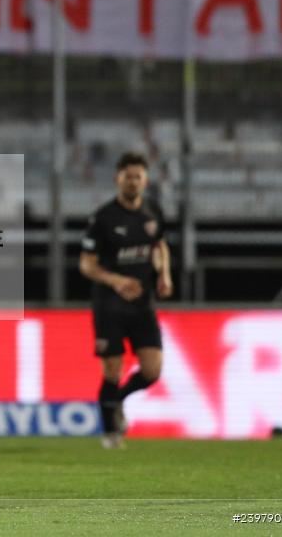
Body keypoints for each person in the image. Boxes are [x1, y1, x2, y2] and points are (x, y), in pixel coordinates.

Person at [79, 152, 172, 449]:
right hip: (109, 304)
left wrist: (164, 274)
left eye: (138, 176)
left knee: (152, 370)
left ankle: (116, 401)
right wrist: (117, 281)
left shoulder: (153, 211)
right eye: (128, 176)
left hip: (142, 303)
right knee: (112, 370)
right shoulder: (103, 217)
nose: (133, 181)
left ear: (145, 180)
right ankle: (110, 433)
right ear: (118, 178)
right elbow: (86, 264)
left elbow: (159, 245)